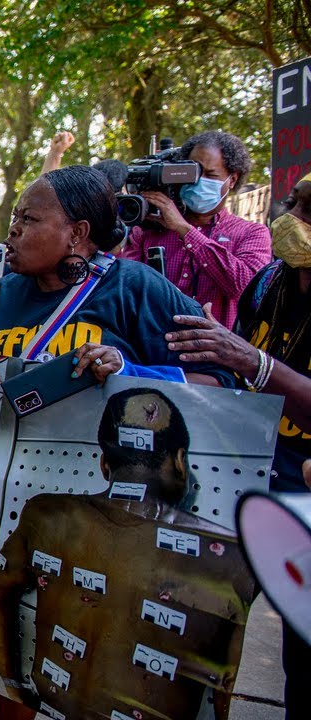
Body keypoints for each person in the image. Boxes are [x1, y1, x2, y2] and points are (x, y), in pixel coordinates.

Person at [0, 165, 236, 719]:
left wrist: (133, 370)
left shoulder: (135, 288)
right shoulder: (0, 296)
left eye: (28, 219)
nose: (11, 230)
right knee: (6, 654)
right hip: (7, 510)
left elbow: (223, 380)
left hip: (106, 525)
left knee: (91, 666)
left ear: (78, 233)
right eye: (13, 218)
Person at [0, 388, 258, 720]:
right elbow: (222, 685)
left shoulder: (47, 514)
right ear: (181, 463)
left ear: (103, 463)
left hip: (59, 703)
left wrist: (13, 683)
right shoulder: (232, 554)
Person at [162, 171, 311, 717]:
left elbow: (251, 362)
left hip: (305, 491)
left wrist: (254, 362)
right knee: (209, 627)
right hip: (246, 472)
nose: (289, 215)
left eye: (306, 209)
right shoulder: (271, 279)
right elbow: (236, 361)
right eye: (292, 201)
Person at [119, 130, 272, 331]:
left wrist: (184, 230)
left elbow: (245, 287)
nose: (199, 181)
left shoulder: (252, 233)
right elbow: (124, 290)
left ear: (232, 180)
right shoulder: (148, 231)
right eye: (193, 172)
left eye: (210, 175)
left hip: (214, 356)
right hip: (151, 352)